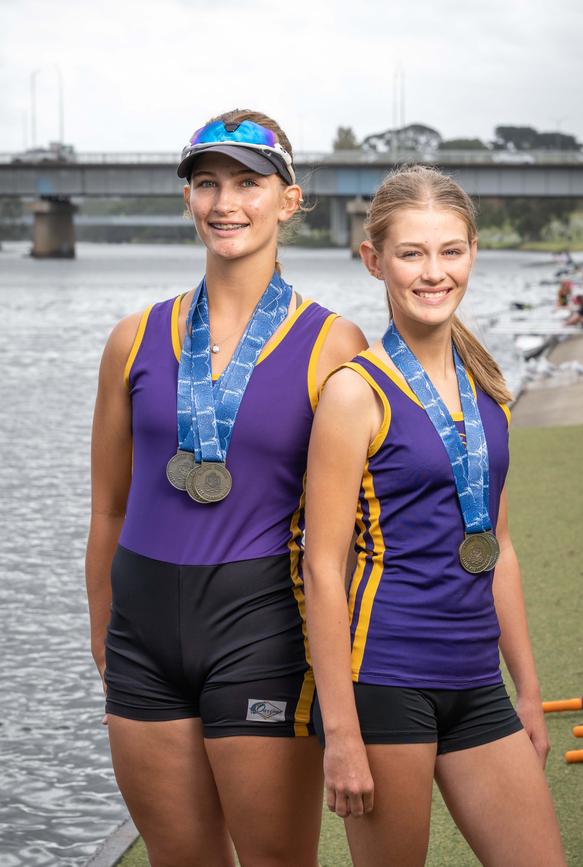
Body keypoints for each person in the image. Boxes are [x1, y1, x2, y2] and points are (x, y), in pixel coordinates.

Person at [85, 108, 366, 866]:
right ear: (187, 200)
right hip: (141, 634)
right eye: (206, 183)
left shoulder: (334, 344)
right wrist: (102, 626)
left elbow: (348, 532)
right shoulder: (133, 338)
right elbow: (109, 504)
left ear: (289, 199)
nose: (225, 202)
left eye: (248, 181)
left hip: (262, 630)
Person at [303, 165, 566, 867]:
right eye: (412, 253)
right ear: (375, 260)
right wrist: (342, 732)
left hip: (477, 677)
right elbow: (322, 567)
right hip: (386, 678)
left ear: (472, 252)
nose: (433, 272)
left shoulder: (489, 388)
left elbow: (499, 547)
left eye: (450, 250)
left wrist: (529, 693)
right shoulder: (354, 393)